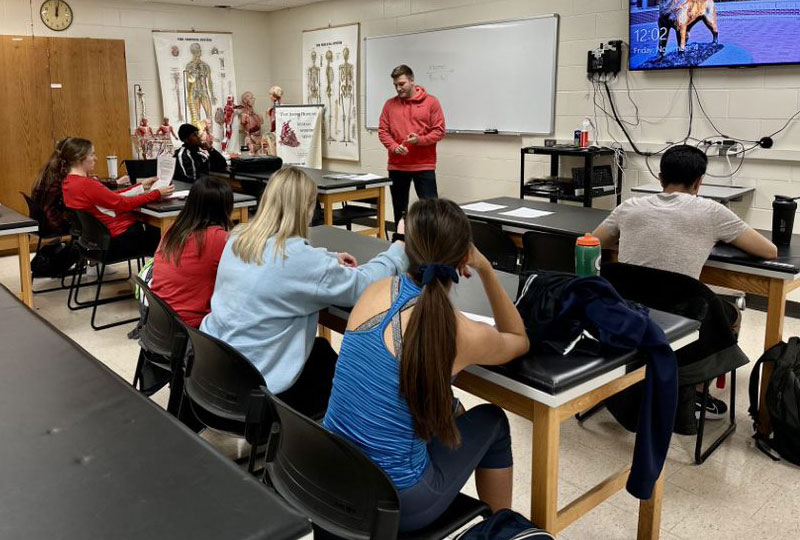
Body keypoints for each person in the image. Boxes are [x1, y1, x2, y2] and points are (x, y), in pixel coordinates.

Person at [323, 198, 529, 532]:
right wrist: (487, 269)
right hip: (397, 503)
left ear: (408, 246)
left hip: (334, 474)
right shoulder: (458, 331)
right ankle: (498, 532)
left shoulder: (376, 290)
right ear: (463, 256)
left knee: (450, 406)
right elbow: (518, 338)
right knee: (493, 421)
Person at [200, 167, 408, 417]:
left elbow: (283, 262)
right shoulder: (298, 260)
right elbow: (365, 284)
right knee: (352, 376)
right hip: (259, 391)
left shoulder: (239, 238)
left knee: (321, 351)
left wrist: (327, 259)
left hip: (216, 374)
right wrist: (399, 245)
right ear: (305, 209)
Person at [592, 144, 777, 424]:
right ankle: (698, 389)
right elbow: (769, 251)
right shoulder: (712, 212)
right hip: (679, 319)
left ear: (660, 176)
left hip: (629, 315)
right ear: (699, 181)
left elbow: (592, 242)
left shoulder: (628, 207)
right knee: (730, 314)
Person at [61, 137, 173, 260]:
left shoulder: (68, 183)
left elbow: (111, 197)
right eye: (92, 154)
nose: (95, 158)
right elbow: (122, 203)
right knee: (162, 231)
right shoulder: (87, 184)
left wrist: (141, 187)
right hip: (117, 241)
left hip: (95, 242)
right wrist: (156, 193)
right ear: (80, 158)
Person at [151, 176, 233, 328]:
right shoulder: (219, 239)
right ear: (225, 208)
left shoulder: (173, 229)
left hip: (159, 319)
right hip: (191, 328)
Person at [378, 64, 446, 225]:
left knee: (431, 210)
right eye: (395, 85)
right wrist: (394, 147)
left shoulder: (431, 102)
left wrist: (419, 140)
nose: (398, 88)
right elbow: (383, 131)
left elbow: (439, 131)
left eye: (401, 84)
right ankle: (401, 244)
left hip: (424, 165)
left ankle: (432, 244)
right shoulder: (389, 105)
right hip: (397, 166)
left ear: (412, 80)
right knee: (399, 210)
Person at [32, 138, 126, 235]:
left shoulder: (52, 168)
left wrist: (115, 182)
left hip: (45, 222)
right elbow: (85, 184)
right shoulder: (60, 174)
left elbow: (89, 182)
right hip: (55, 225)